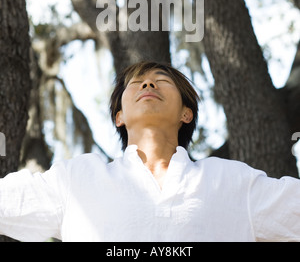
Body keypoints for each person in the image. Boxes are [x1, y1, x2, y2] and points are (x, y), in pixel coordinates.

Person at [0, 60, 300, 242]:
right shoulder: (75, 179)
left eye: (162, 80)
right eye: (136, 82)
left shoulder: (233, 181)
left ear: (186, 113)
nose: (147, 82)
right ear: (119, 116)